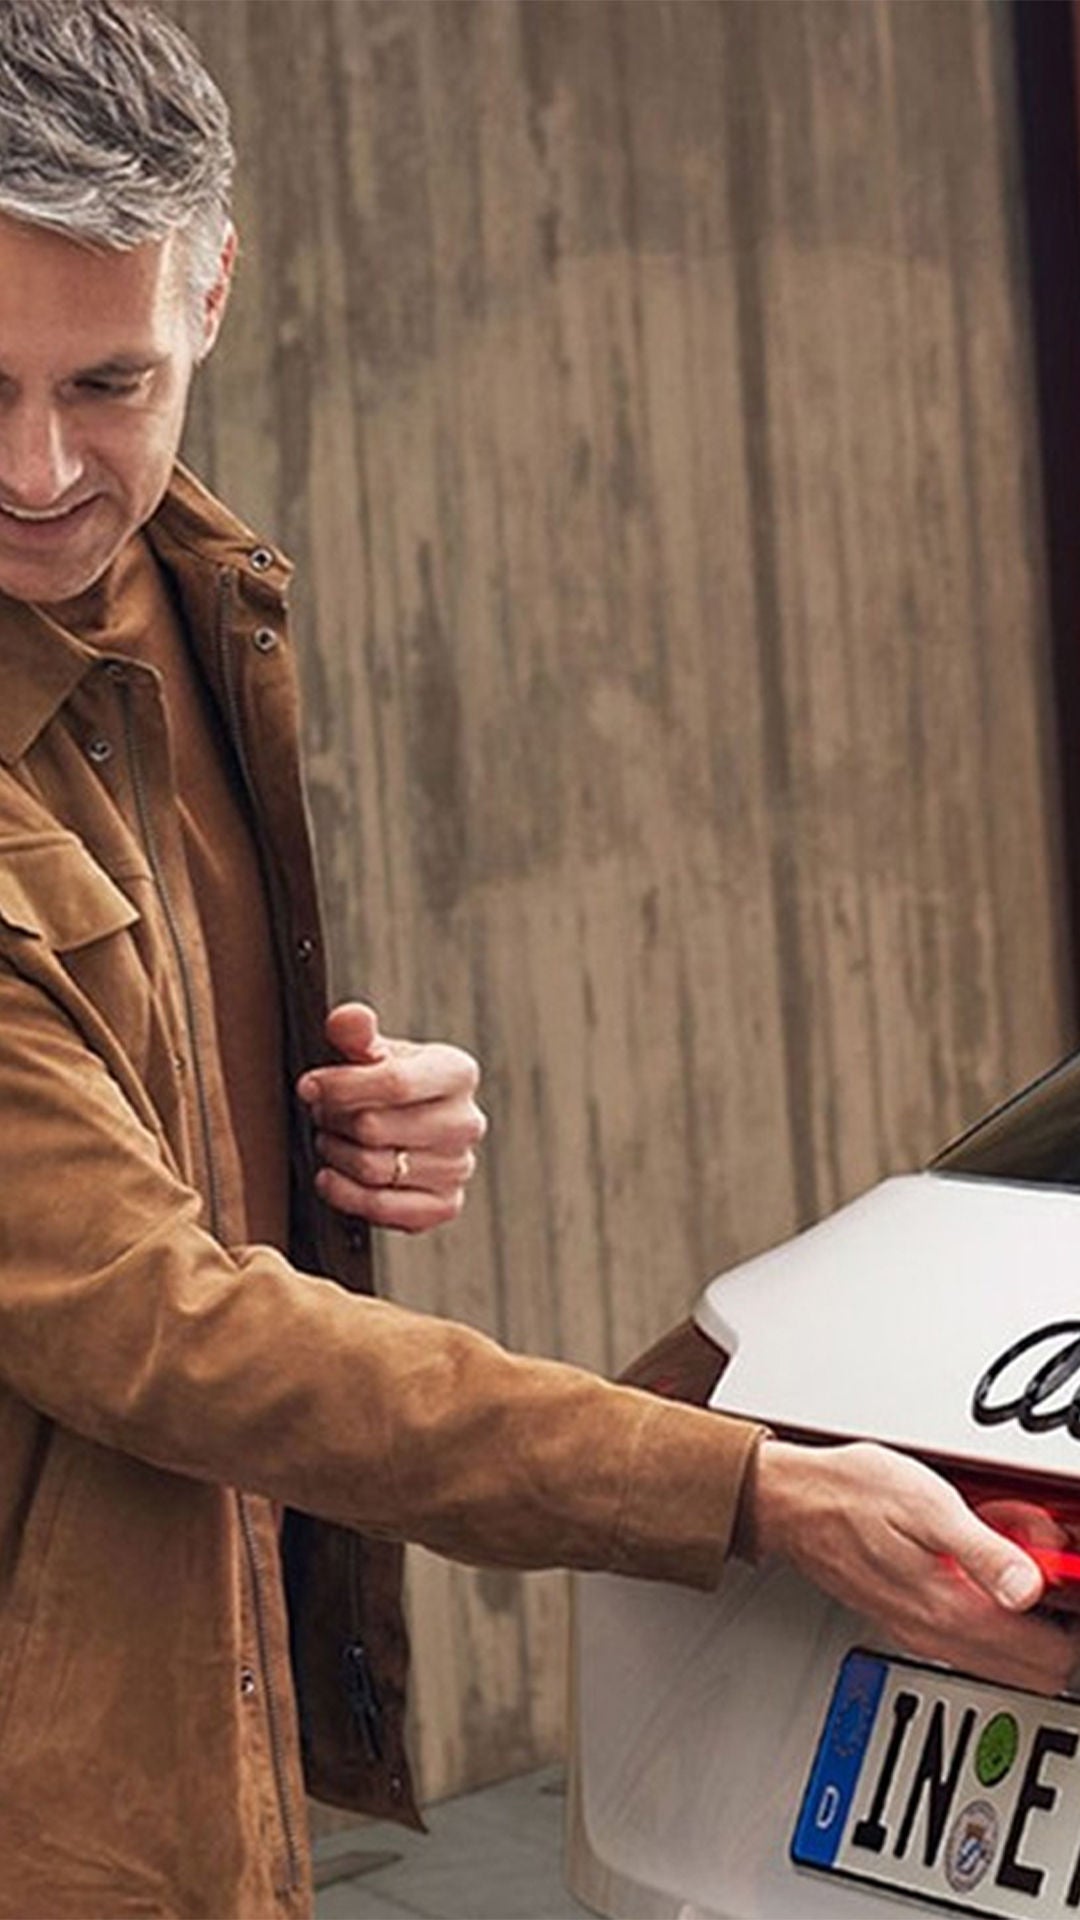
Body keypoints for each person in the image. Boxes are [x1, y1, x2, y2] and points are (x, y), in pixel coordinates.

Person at [0, 4, 1074, 1916]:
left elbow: (121, 1116)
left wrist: (309, 1130)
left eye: (107, 382)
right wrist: (742, 1486)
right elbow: (145, 1319)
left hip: (181, 1725)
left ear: (213, 291)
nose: (38, 466)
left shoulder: (177, 600)